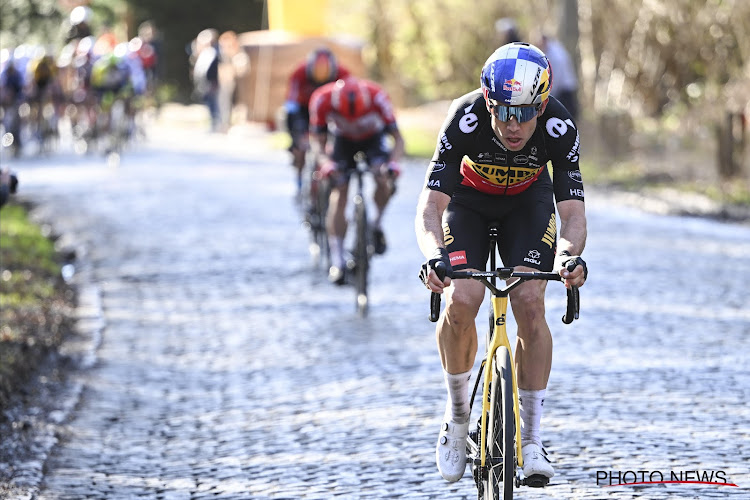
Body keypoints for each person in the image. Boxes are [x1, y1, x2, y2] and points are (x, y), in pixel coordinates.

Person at [415, 42, 588, 484]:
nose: (514, 126)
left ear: (542, 106)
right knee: (463, 298)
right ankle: (456, 420)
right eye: (503, 113)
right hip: (468, 204)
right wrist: (435, 256)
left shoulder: (559, 125)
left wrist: (568, 256)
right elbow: (431, 205)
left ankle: (531, 440)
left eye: (525, 114)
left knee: (530, 300)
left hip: (527, 206)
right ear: (488, 103)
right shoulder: (464, 116)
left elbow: (571, 213)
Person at [309, 76, 404, 285]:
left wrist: (393, 164)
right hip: (342, 142)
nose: (353, 122)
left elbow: (398, 139)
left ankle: (375, 225)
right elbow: (317, 141)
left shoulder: (378, 97)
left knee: (383, 178)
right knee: (339, 190)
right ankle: (338, 261)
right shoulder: (321, 99)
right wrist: (325, 163)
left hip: (373, 140)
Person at [284, 48, 350, 196]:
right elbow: (291, 106)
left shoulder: (343, 74)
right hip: (304, 111)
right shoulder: (299, 73)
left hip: (329, 112)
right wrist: (298, 135)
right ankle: (300, 176)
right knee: (301, 145)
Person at [540, 34, 579, 120]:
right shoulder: (555, 49)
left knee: (565, 115)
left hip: (564, 88)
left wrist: (550, 92)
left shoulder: (555, 55)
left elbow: (556, 76)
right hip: (567, 85)